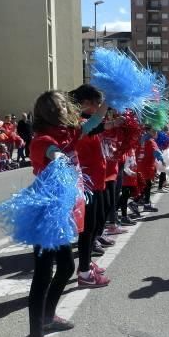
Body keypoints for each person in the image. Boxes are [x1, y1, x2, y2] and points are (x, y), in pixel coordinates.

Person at [26, 89, 107, 337]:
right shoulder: (43, 140)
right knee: (42, 275)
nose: (69, 109)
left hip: (61, 213)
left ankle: (47, 318)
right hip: (46, 214)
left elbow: (92, 124)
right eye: (64, 106)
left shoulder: (67, 134)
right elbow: (50, 152)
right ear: (53, 112)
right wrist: (59, 158)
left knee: (65, 267)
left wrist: (107, 104)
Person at [71, 84, 113, 282]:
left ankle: (85, 265)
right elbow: (96, 123)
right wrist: (110, 99)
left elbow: (98, 124)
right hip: (86, 183)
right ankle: (84, 272)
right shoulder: (77, 124)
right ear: (84, 103)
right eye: (95, 103)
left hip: (95, 181)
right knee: (87, 229)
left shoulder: (84, 122)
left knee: (93, 225)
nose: (98, 107)